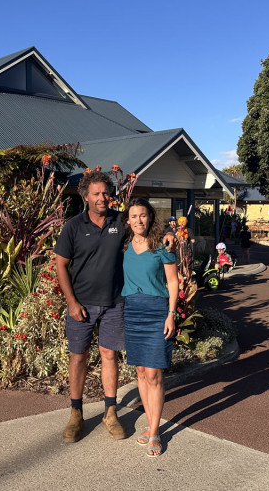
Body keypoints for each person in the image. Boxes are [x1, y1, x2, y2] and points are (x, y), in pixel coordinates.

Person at [54, 171, 175, 444]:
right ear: (85, 196)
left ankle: (111, 412)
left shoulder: (119, 220)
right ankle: (76, 413)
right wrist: (71, 302)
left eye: (105, 193)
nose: (101, 198)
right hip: (81, 304)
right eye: (96, 194)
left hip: (115, 303)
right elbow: (61, 265)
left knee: (110, 355)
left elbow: (146, 222)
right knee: (78, 357)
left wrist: (169, 233)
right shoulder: (73, 226)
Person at [121, 198, 178, 457]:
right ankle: (149, 423)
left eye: (143, 215)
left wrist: (171, 314)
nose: (138, 221)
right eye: (134, 216)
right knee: (142, 372)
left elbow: (173, 281)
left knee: (154, 374)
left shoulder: (162, 246)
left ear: (150, 217)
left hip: (157, 312)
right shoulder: (124, 246)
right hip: (132, 311)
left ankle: (154, 431)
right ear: (128, 220)